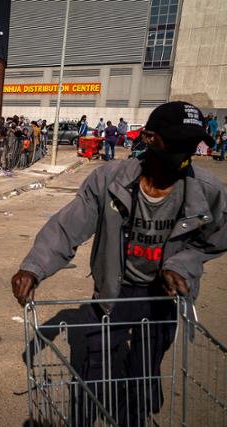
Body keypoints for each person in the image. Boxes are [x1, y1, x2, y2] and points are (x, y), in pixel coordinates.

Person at [11, 101, 226, 425]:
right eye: (177, 144)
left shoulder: (206, 191)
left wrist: (181, 265)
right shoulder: (110, 180)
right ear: (151, 138)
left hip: (161, 295)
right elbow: (69, 225)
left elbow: (215, 238)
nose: (185, 154)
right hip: (115, 288)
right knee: (95, 367)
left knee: (143, 371)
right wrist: (34, 266)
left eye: (190, 145)